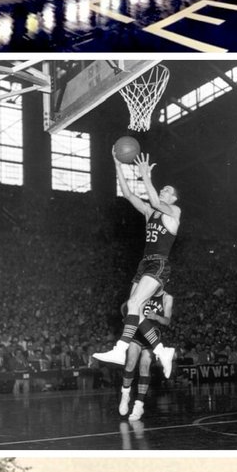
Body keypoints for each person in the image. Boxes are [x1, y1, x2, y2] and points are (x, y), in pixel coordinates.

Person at [95, 152, 179, 377]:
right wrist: (117, 165)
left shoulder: (175, 213)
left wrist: (144, 176)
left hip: (159, 264)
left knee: (133, 303)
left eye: (168, 190)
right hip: (144, 264)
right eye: (164, 188)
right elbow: (128, 194)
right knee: (133, 310)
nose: (164, 190)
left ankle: (120, 349)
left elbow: (154, 200)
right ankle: (162, 350)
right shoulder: (150, 213)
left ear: (173, 199)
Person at [118, 289, 174, 421]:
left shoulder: (167, 298)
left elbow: (167, 321)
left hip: (152, 334)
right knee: (130, 362)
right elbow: (125, 306)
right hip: (137, 331)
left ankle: (139, 404)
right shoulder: (145, 289)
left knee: (144, 367)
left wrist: (156, 317)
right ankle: (125, 394)